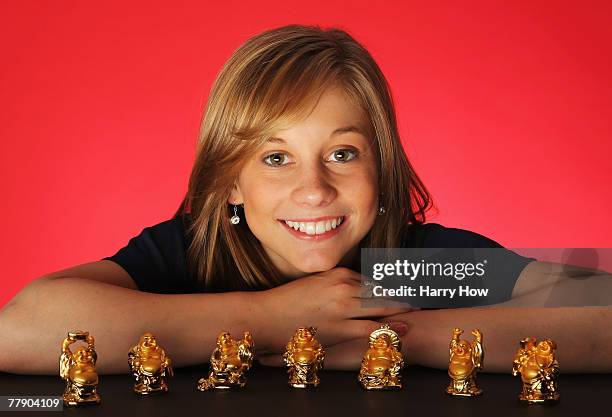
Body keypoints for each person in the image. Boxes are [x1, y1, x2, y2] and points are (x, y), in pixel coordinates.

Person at [0, 24, 610, 375]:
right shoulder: (189, 255)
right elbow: (20, 329)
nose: (314, 189)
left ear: (383, 166)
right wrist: (272, 319)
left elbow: (600, 303)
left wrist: (391, 335)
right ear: (229, 184)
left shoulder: (406, 268)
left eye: (343, 153)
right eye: (275, 158)